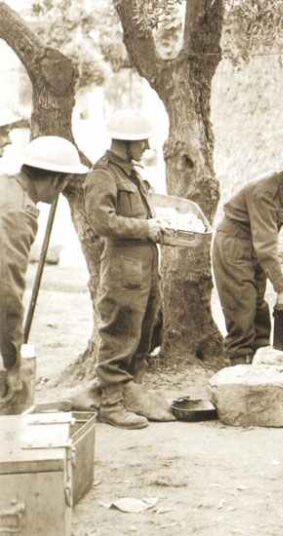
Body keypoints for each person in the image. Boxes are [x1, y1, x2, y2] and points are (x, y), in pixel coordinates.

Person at [84, 110, 163, 429]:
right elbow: (101, 221)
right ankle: (111, 404)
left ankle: (129, 393)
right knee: (118, 333)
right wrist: (145, 228)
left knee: (144, 330)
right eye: (141, 141)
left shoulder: (130, 172)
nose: (145, 146)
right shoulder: (103, 174)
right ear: (126, 143)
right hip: (121, 269)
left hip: (144, 267)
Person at [213, 147, 283, 365]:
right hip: (234, 245)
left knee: (258, 307)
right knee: (241, 309)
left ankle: (259, 366)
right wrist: (282, 287)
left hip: (253, 247)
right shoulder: (264, 192)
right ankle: (238, 371)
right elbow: (266, 247)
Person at [1, 136, 88, 408]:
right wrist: (12, 361)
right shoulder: (17, 211)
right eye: (64, 183)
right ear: (56, 181)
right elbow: (6, 291)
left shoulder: (6, 186)